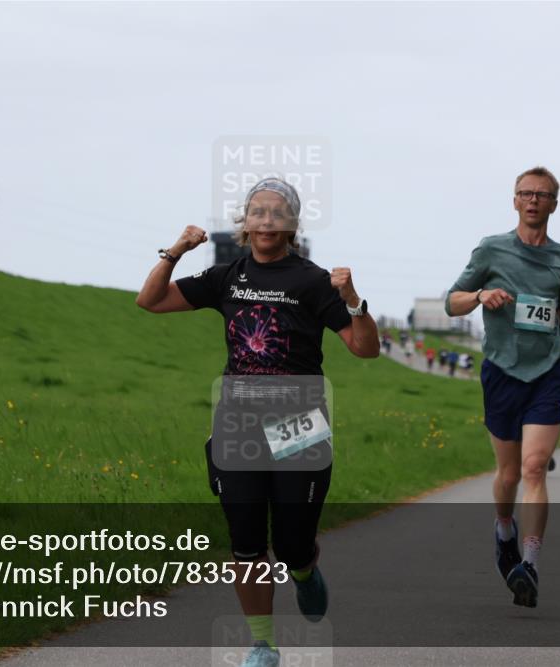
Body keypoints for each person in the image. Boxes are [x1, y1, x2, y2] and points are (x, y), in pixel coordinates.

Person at [135, 177, 379, 667]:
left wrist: (353, 300)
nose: (267, 220)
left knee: (291, 545)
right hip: (238, 424)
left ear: (292, 224)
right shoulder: (227, 277)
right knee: (246, 542)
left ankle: (304, 570)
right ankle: (263, 645)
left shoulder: (313, 281)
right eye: (258, 211)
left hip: (299, 424)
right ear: (244, 222)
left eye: (277, 212)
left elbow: (365, 348)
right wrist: (176, 251)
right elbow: (151, 300)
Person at [445, 166, 560, 607]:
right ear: (514, 200)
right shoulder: (491, 248)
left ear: (554, 205)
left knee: (534, 467)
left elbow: (558, 309)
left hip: (548, 370)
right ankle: (504, 529)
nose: (533, 200)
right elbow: (452, 301)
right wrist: (479, 296)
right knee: (508, 475)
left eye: (542, 195)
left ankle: (529, 563)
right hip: (502, 371)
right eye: (525, 193)